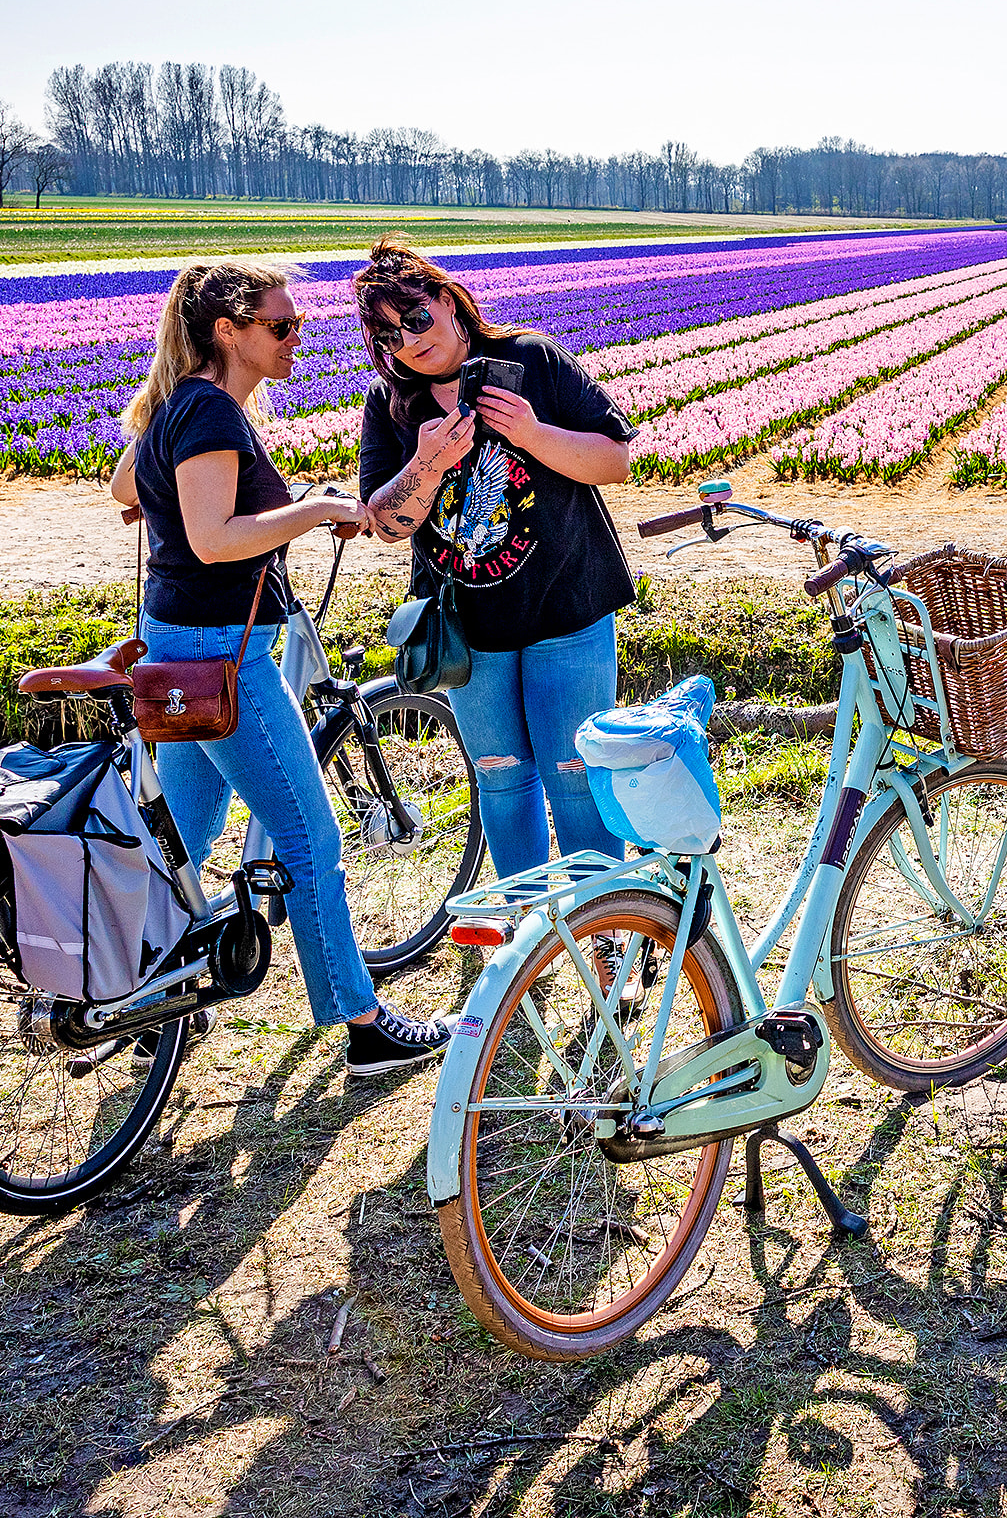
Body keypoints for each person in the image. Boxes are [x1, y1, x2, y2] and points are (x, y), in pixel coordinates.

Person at [108, 260, 451, 1077]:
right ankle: (363, 1024)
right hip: (223, 655)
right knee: (308, 836)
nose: (298, 336)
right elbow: (215, 539)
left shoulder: (177, 404)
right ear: (229, 330)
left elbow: (124, 483)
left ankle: (143, 996)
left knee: (182, 839)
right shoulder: (207, 414)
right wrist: (320, 507)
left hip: (176, 646)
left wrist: (239, 500)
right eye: (281, 325)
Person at [350, 235, 636, 881]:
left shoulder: (530, 359)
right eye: (390, 336)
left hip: (567, 609)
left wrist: (530, 432)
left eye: (417, 318)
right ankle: (524, 922)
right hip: (467, 631)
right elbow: (388, 524)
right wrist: (428, 463)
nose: (409, 341)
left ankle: (605, 927)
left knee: (574, 775)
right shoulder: (392, 403)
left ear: (451, 302)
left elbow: (613, 462)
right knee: (501, 779)